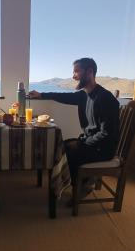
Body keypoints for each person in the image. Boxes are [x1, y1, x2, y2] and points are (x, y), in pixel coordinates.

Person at [30, 58, 119, 196]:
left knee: (68, 155)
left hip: (102, 149)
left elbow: (107, 133)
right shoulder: (84, 94)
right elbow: (65, 97)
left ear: (90, 72)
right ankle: (78, 181)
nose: (73, 76)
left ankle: (82, 186)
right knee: (60, 146)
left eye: (77, 71)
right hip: (90, 142)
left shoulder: (106, 98)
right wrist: (41, 95)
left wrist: (82, 143)